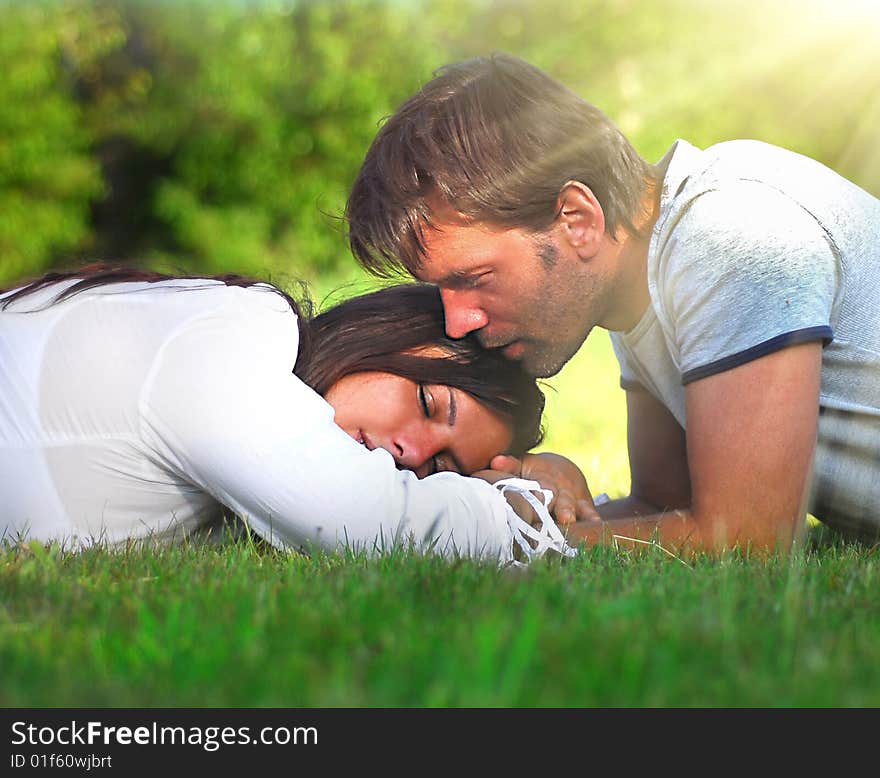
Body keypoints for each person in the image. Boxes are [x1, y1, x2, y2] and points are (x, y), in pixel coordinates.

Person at [344, 52, 880, 555]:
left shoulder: (728, 237)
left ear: (577, 220)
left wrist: (486, 533)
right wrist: (531, 496)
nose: (459, 322)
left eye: (476, 278)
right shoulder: (643, 284)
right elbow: (662, 507)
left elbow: (747, 537)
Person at [0, 264, 578, 565]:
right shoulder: (228, 343)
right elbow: (371, 522)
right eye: (428, 404)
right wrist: (527, 500)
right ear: (390, 331)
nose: (410, 453)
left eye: (441, 468)